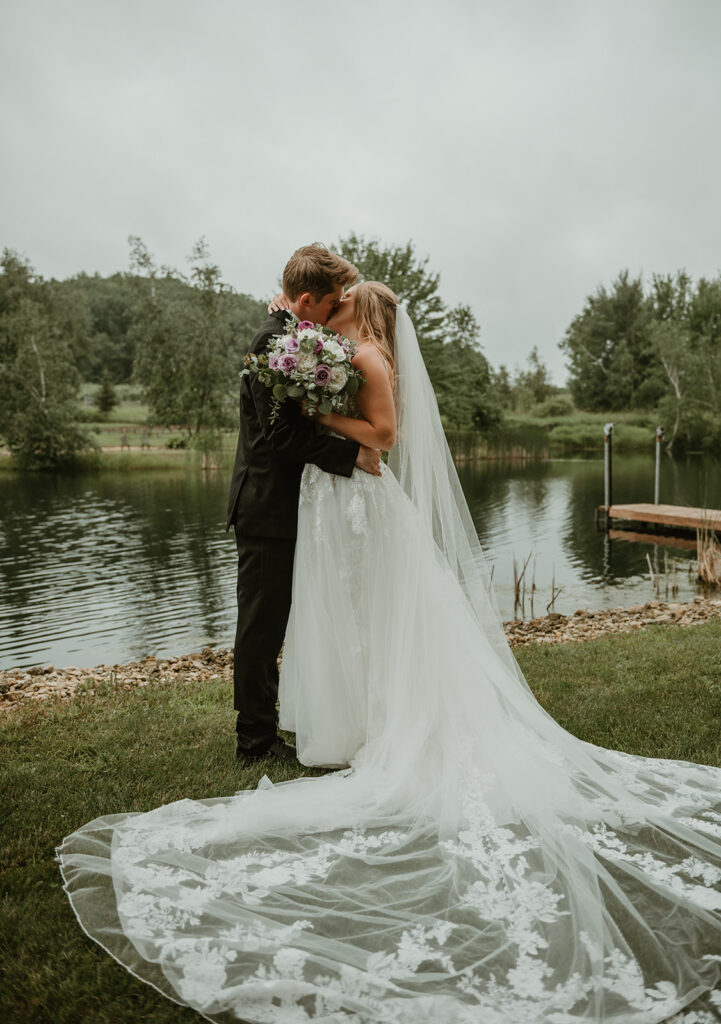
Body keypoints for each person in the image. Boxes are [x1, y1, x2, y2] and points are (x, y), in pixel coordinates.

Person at [58, 286, 721, 1022]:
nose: (334, 314)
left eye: (341, 306)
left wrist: (315, 414)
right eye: (329, 303)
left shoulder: (366, 354)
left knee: (379, 618)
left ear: (358, 313)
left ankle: (385, 724)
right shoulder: (331, 347)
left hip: (363, 502)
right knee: (366, 620)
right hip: (337, 504)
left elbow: (384, 435)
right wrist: (306, 386)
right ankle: (364, 717)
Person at [225, 243, 382, 764]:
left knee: (281, 619)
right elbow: (280, 438)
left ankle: (274, 725)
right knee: (261, 626)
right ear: (309, 300)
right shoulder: (273, 345)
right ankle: (256, 741)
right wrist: (350, 456)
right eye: (332, 302)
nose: (336, 311)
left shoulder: (291, 332)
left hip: (290, 507)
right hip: (265, 508)